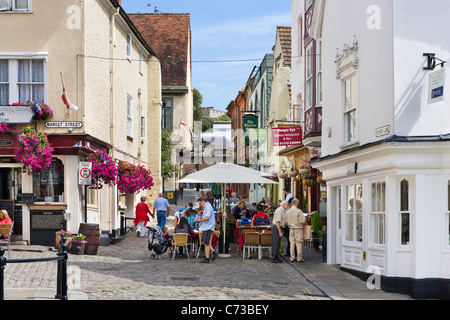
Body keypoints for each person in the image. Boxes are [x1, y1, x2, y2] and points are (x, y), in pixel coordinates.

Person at [197, 197, 218, 263]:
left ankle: (207, 258)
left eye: (200, 203)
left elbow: (207, 217)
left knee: (206, 243)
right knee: (205, 242)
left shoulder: (208, 207)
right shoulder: (206, 207)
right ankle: (213, 252)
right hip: (206, 226)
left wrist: (200, 220)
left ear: (203, 201)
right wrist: (202, 218)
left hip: (208, 227)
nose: (200, 205)